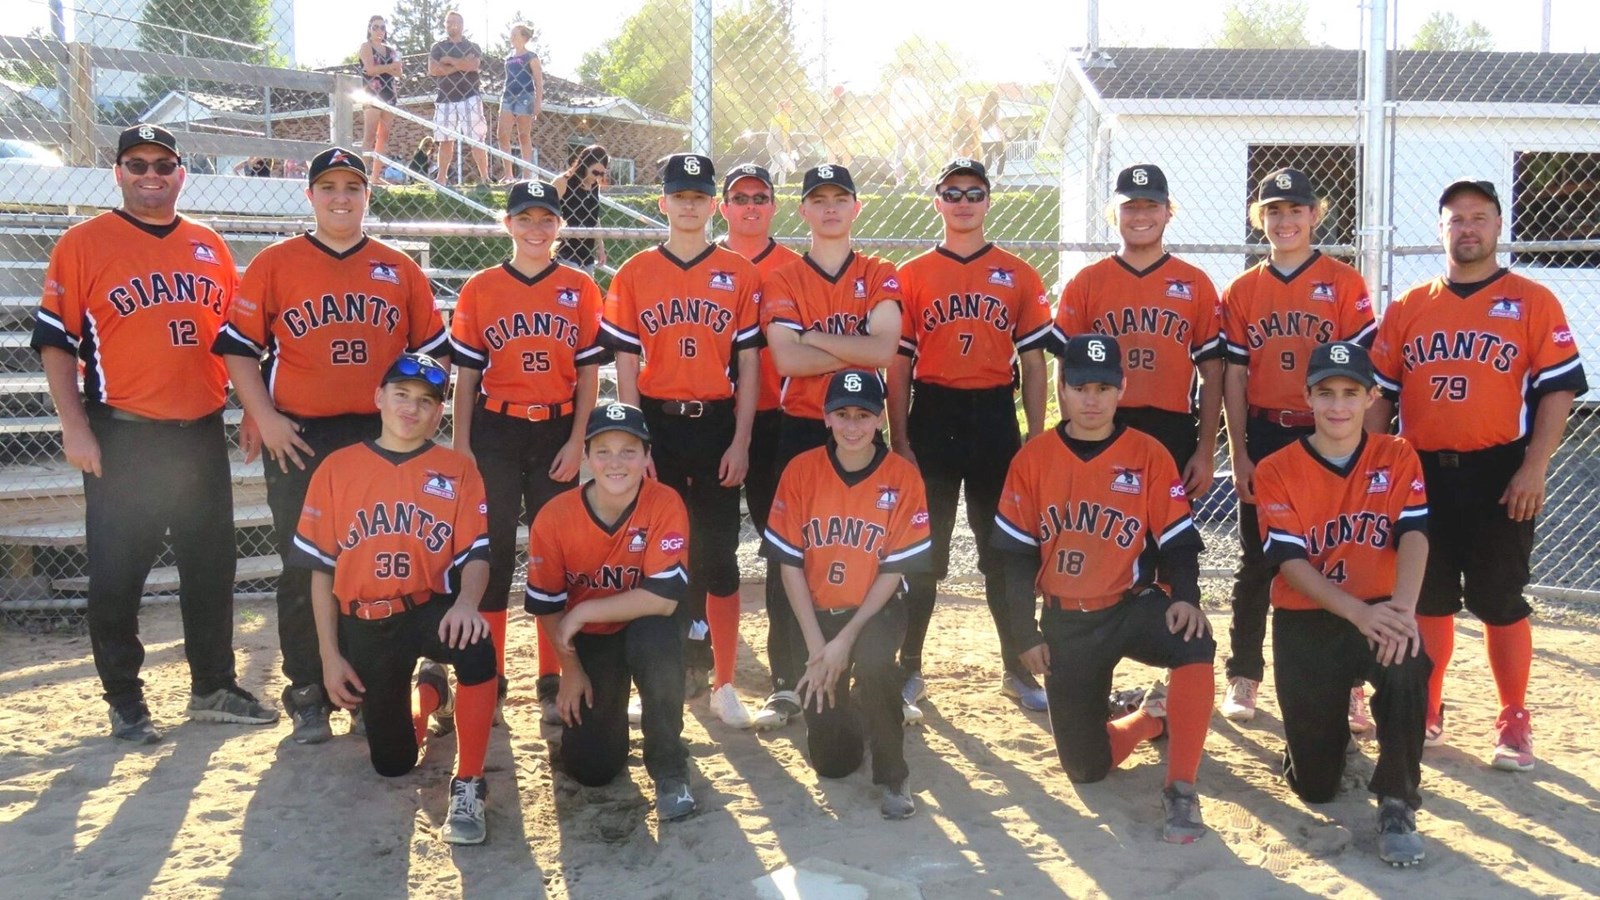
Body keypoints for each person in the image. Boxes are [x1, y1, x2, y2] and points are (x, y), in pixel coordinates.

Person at [32, 123, 278, 743]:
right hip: (123, 434)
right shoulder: (83, 243)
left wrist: (252, 407)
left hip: (198, 431)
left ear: (180, 174)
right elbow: (57, 346)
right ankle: (125, 698)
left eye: (162, 164)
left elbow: (236, 340)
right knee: (119, 572)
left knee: (211, 565)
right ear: (117, 172)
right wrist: (74, 427)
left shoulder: (208, 243)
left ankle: (213, 686)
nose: (150, 174)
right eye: (136, 163)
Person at [212, 147, 449, 745]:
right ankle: (308, 689)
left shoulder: (398, 268)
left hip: (379, 436)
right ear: (310, 195)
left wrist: (413, 422)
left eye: (352, 185)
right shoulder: (276, 262)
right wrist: (262, 416)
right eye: (328, 186)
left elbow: (433, 355)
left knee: (374, 564)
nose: (340, 196)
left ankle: (369, 683)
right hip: (300, 435)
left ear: (368, 194)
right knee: (306, 565)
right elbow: (239, 348)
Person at [1368, 179, 1588, 772]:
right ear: (1440, 230)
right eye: (1455, 219)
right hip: (1421, 471)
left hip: (1500, 471)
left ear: (1497, 226)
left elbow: (1558, 389)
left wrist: (1535, 467)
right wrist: (1369, 468)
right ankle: (1430, 706)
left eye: (1479, 217)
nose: (1467, 228)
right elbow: (1380, 397)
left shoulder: (1530, 298)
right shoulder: (1411, 305)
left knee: (1500, 598)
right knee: (1429, 597)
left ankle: (1513, 717)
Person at [992, 334, 1216, 845]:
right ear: (1062, 390)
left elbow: (1180, 540)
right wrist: (1023, 634)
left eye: (1103, 386)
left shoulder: (1148, 454)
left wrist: (1185, 597)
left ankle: (1181, 786)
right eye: (1080, 386)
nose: (1092, 399)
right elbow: (1014, 558)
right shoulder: (1033, 459)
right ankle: (1147, 720)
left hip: (1130, 605)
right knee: (1086, 768)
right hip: (1067, 621)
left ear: (1122, 389)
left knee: (1194, 641)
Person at [288, 352, 493, 844]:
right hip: (365, 620)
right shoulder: (336, 468)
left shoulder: (457, 469)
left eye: (426, 401)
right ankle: (432, 693)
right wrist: (329, 657)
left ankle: (470, 782)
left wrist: (466, 604)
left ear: (438, 413)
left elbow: (478, 556)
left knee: (477, 645)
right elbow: (319, 573)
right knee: (393, 764)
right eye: (401, 395)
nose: (411, 408)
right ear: (378, 398)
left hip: (428, 607)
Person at [887, 158, 1057, 720]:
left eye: (974, 193)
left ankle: (1015, 667)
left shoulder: (1018, 273)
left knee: (1002, 551)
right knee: (922, 552)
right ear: (937, 200)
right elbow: (900, 367)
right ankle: (909, 665)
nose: (963, 202)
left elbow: (1034, 363)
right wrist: (901, 435)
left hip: (992, 416)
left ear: (988, 201)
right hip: (933, 414)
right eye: (952, 192)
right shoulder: (911, 275)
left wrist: (1034, 434)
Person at [1254, 341, 1432, 868]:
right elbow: (1290, 565)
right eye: (1326, 393)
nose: (1338, 406)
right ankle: (1323, 745)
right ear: (1307, 397)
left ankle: (1397, 800)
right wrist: (1359, 612)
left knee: (1407, 661)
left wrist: (1401, 611)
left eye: (1351, 393)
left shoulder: (1396, 454)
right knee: (1316, 788)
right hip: (1308, 618)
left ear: (1371, 397)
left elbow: (1416, 534)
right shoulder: (1277, 468)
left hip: (1380, 606)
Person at [600, 153, 762, 729]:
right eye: (679, 195)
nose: (689, 204)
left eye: (700, 195)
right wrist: (633, 438)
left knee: (719, 553)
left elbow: (748, 366)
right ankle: (661, 679)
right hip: (658, 424)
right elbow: (625, 362)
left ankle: (722, 683)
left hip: (716, 419)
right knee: (656, 553)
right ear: (663, 202)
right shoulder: (637, 270)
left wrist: (742, 439)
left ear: (713, 205)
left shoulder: (738, 273)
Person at [1218, 167, 1375, 726]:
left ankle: (1352, 681)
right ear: (1260, 220)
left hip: (1328, 431)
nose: (1285, 221)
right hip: (1265, 430)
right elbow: (1235, 377)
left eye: (1296, 210)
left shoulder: (1344, 282)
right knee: (1259, 558)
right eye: (1273, 211)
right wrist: (1238, 451)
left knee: (1339, 556)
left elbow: (1364, 376)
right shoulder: (1241, 290)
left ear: (1315, 215)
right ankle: (1244, 672)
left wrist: (1361, 446)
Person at [449, 179, 606, 726]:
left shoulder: (580, 287)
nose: (536, 228)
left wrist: (577, 441)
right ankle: (486, 672)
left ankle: (551, 671)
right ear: (507, 223)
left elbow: (589, 374)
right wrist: (461, 445)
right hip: (497, 429)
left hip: (556, 431)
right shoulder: (481, 287)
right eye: (525, 218)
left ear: (560, 226)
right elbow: (466, 377)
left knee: (554, 555)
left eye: (546, 219)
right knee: (489, 553)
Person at [756, 163, 904, 729]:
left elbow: (886, 349)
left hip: (864, 425)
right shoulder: (784, 277)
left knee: (874, 550)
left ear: (856, 207)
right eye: (819, 199)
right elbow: (787, 361)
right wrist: (856, 345)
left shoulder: (879, 271)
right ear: (804, 211)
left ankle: (875, 675)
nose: (831, 208)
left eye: (841, 197)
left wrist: (814, 334)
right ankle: (785, 680)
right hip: (800, 426)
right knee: (790, 555)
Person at [763, 369, 931, 819]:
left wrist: (845, 641)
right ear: (826, 417)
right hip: (817, 615)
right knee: (833, 764)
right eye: (843, 414)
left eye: (864, 414)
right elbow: (790, 565)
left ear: (880, 418)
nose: (853, 425)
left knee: (875, 665)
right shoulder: (801, 472)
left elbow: (894, 570)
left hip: (874, 610)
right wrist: (820, 647)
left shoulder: (902, 477)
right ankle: (863, 709)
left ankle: (894, 775)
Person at [525, 403, 698, 823]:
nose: (616, 462)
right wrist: (570, 669)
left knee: (656, 642)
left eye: (629, 450)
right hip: (592, 641)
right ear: (586, 456)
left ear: (646, 456)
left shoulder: (664, 502)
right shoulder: (555, 515)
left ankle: (669, 766)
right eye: (603, 450)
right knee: (593, 769)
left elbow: (664, 597)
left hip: (645, 626)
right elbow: (547, 605)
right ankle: (610, 716)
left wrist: (583, 612)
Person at [1055, 163, 1225, 498]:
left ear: (1168, 213)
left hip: (1172, 426)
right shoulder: (1087, 282)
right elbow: (1064, 367)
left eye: (1151, 206)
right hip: (1103, 422)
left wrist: (1206, 451)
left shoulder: (1196, 283)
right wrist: (1068, 432)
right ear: (1113, 214)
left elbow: (1211, 371)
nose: (1140, 216)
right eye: (1130, 207)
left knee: (1167, 541)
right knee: (1103, 536)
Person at [717, 162, 804, 720]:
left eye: (761, 197)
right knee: (710, 543)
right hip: (710, 418)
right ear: (724, 206)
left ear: (775, 206)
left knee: (782, 547)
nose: (750, 206)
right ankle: (703, 658)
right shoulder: (703, 262)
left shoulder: (793, 267)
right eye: (740, 197)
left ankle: (786, 671)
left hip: (779, 417)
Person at [428, 9, 490, 186]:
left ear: (462, 25)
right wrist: (460, 64)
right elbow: (433, 69)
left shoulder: (472, 46)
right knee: (445, 140)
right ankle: (441, 178)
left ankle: (485, 178)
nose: (450, 25)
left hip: (470, 97)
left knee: (477, 138)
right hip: (445, 98)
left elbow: (473, 66)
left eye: (454, 22)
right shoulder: (438, 47)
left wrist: (448, 61)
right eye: (447, 22)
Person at [495, 23, 544, 183]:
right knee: (502, 134)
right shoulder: (508, 58)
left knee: (523, 135)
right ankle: (508, 174)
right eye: (511, 35)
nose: (512, 38)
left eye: (515, 34)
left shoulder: (531, 57)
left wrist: (538, 102)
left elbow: (538, 80)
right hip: (508, 96)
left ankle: (526, 175)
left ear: (524, 38)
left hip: (525, 96)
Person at [359, 15, 402, 181]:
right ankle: (361, 173)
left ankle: (375, 176)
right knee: (369, 135)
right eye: (375, 27)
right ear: (369, 29)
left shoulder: (391, 51)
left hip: (389, 95)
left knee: (383, 136)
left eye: (382, 27)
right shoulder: (366, 46)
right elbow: (369, 69)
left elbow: (399, 72)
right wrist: (389, 67)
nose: (379, 30)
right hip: (371, 94)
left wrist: (386, 68)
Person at [555, 145, 608, 275]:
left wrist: (601, 248)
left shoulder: (594, 186)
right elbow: (547, 211)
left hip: (586, 250)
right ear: (584, 165)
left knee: (587, 291)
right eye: (595, 172)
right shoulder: (564, 181)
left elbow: (594, 217)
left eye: (601, 174)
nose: (597, 177)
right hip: (565, 248)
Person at [978, 90, 1005, 182]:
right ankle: (998, 179)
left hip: (985, 139)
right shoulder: (996, 108)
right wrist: (1002, 136)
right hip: (996, 137)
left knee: (988, 160)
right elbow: (997, 123)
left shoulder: (982, 109)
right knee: (1002, 157)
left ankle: (983, 178)